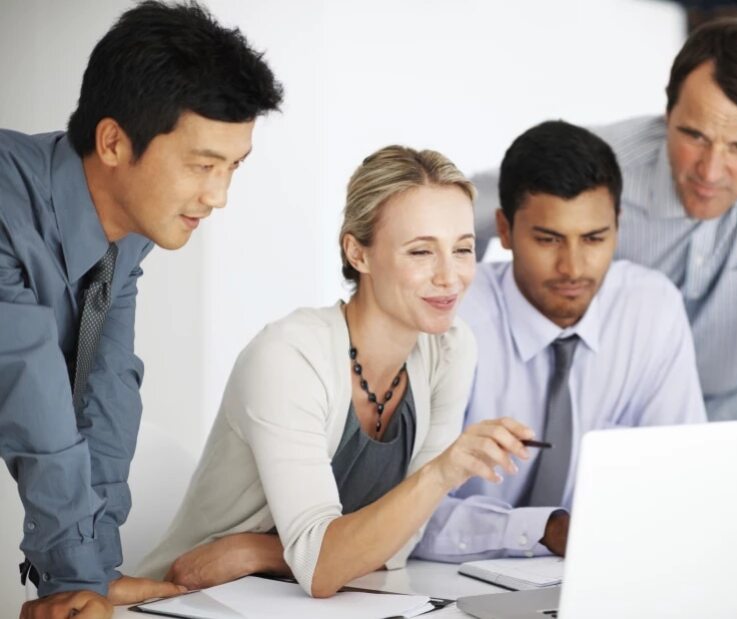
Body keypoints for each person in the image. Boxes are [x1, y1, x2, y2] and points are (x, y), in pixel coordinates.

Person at [471, 19, 737, 557]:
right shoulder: (609, 166)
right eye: (693, 135)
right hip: (635, 424)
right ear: (667, 113)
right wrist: (443, 337)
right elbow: (466, 207)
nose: (711, 170)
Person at [136, 145, 534, 597]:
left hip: (293, 598)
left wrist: (259, 550)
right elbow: (327, 568)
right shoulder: (289, 356)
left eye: (463, 249)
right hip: (188, 599)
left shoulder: (451, 349)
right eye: (421, 251)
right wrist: (442, 472)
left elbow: (403, 540)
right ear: (357, 253)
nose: (450, 276)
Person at [0, 2, 283, 617]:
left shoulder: (126, 235)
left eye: (233, 167)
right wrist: (75, 581)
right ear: (113, 142)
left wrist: (94, 575)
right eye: (203, 165)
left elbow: (107, 393)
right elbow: (36, 405)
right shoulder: (4, 203)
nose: (219, 196)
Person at [413, 120, 706, 562]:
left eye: (594, 238)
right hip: (453, 586)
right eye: (548, 240)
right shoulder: (451, 321)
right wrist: (545, 530)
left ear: (618, 226)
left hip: (614, 577)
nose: (572, 267)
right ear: (505, 230)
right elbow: (406, 514)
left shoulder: (652, 310)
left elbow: (687, 480)